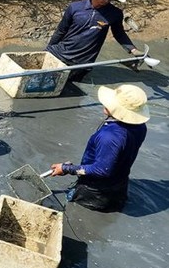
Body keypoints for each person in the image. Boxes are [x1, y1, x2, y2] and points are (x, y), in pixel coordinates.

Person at [50, 84, 149, 212]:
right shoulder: (140, 127)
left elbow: (102, 170)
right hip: (119, 187)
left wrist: (67, 169)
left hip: (95, 194)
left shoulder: (109, 136)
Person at [46, 0, 144, 82]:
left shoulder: (115, 14)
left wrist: (133, 49)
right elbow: (61, 31)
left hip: (83, 62)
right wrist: (48, 51)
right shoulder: (75, 8)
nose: (106, 0)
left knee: (71, 89)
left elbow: (119, 34)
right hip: (60, 54)